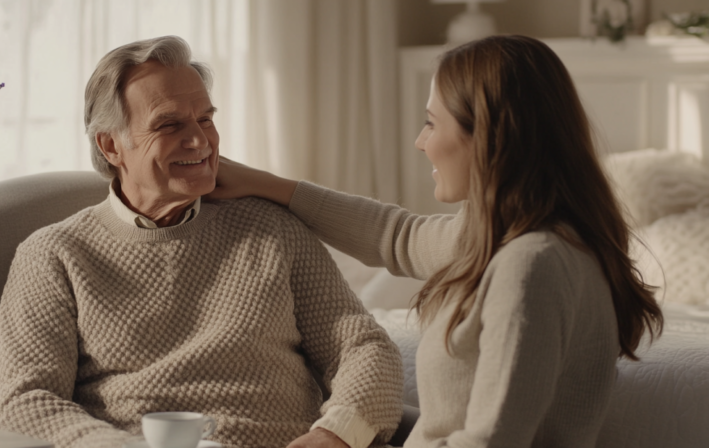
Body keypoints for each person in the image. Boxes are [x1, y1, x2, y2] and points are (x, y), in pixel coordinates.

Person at [208, 35, 664, 447]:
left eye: (431, 123)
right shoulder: (520, 234)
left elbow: (490, 443)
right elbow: (396, 235)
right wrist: (265, 183)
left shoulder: (532, 264)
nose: (420, 141)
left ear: (485, 136)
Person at [0, 36, 404, 448]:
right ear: (112, 145)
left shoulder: (272, 228)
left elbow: (362, 347)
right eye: (170, 124)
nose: (200, 141)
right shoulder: (54, 255)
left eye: (205, 118)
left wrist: (335, 435)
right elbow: (23, 400)